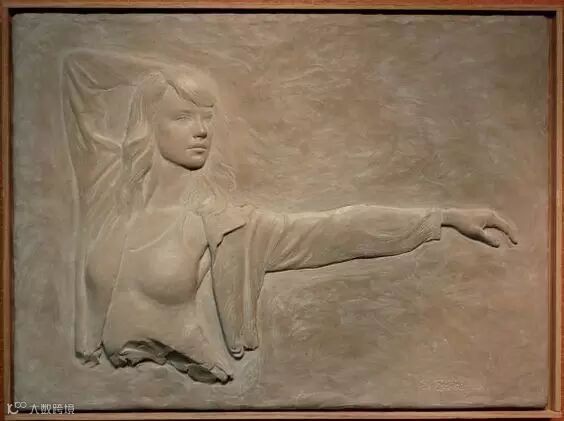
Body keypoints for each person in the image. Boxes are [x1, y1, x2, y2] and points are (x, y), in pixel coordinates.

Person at [63, 51, 517, 384]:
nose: (202, 130)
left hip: (190, 369)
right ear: (148, 123)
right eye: (183, 117)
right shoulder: (106, 192)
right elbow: (78, 68)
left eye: (207, 118)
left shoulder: (225, 225)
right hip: (100, 390)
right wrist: (161, 77)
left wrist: (442, 217)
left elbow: (336, 230)